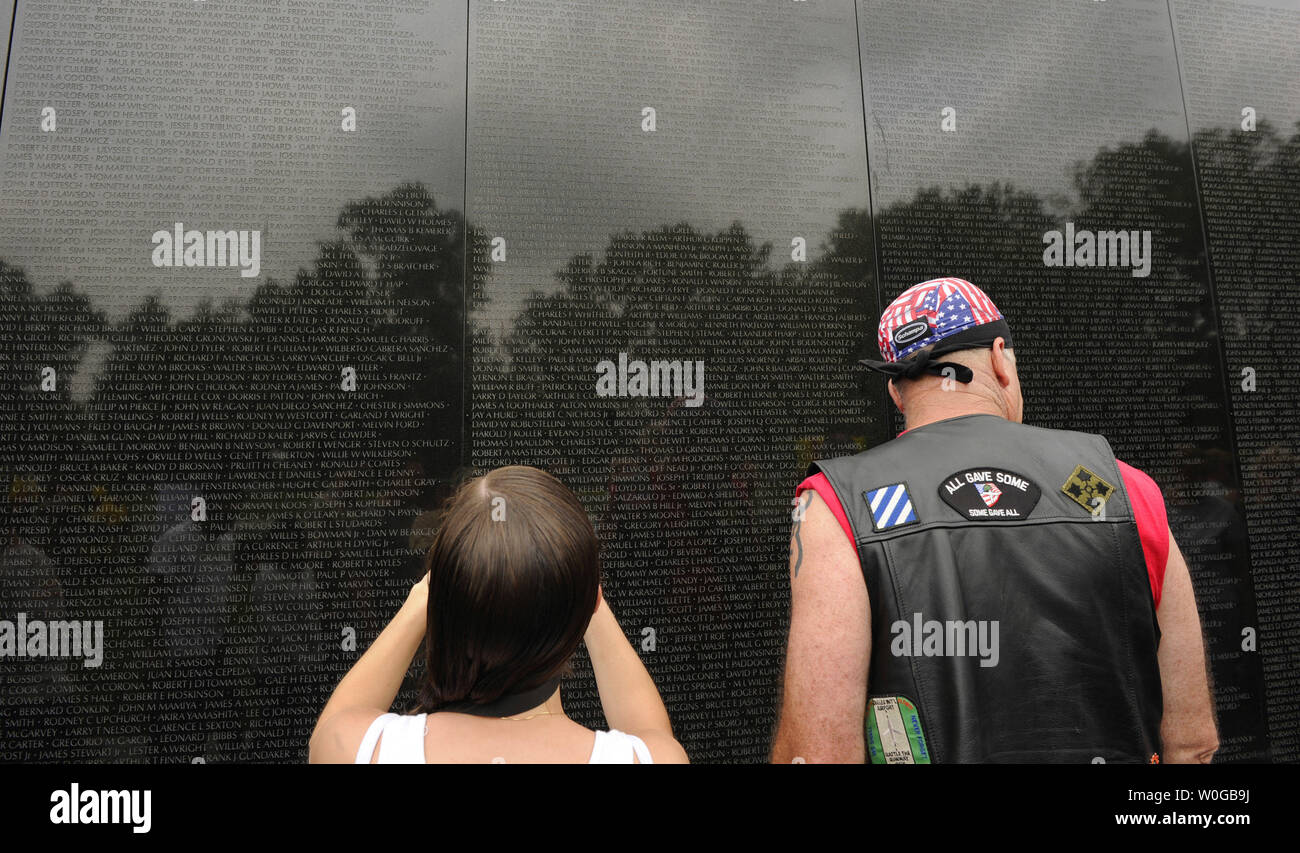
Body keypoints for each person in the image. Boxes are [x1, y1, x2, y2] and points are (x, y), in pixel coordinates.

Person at [771, 277, 1219, 764]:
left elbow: (819, 754)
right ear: (1001, 359)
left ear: (897, 393)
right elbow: (1192, 743)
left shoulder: (839, 503)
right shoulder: (1120, 489)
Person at [309, 465, 687, 764]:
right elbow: (649, 735)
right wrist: (587, 594)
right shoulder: (648, 759)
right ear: (583, 606)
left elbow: (335, 722)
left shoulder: (355, 748)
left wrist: (421, 599)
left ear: (440, 597)